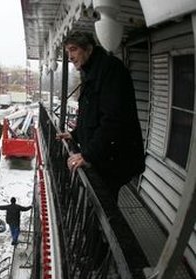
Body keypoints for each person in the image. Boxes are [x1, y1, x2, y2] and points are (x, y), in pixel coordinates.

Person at [56, 31, 145, 202]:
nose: (70, 57)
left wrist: (88, 155)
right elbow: (91, 113)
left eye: (73, 50)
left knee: (103, 206)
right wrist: (75, 134)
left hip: (114, 159)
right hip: (104, 156)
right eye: (68, 52)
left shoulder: (110, 70)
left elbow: (113, 119)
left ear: (88, 49)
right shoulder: (93, 71)